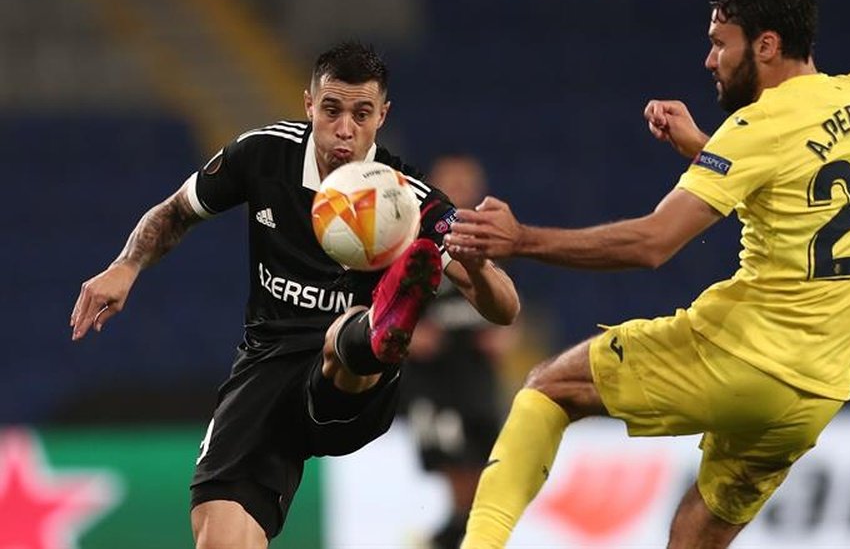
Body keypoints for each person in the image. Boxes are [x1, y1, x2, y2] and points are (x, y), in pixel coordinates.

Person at [446, 0, 850, 549]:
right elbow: (798, 190)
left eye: (720, 43)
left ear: (765, 46)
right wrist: (707, 151)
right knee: (694, 535)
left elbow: (651, 243)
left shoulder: (758, 126)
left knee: (547, 388)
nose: (710, 60)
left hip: (744, 358)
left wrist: (521, 239)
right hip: (817, 391)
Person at [69, 41, 520, 549]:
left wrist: (475, 264)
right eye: (331, 110)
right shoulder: (265, 153)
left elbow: (505, 307)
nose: (344, 128)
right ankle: (374, 325)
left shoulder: (410, 199)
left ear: (382, 117)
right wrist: (125, 265)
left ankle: (378, 329)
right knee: (217, 530)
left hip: (350, 385)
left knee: (340, 340)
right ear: (309, 105)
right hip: (264, 368)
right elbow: (176, 211)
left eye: (361, 113)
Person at [400, 155, 515, 549]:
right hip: (435, 382)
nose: (463, 191)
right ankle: (441, 542)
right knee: (463, 484)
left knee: (485, 483)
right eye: (454, 183)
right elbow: (384, 301)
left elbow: (508, 307)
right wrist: (409, 331)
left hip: (478, 379)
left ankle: (437, 542)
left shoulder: (485, 243)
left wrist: (506, 332)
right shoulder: (410, 238)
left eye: (469, 183)